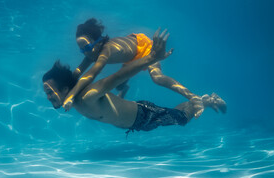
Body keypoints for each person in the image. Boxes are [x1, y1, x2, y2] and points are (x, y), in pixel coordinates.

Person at [42, 29, 226, 135]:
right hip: (135, 122)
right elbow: (105, 107)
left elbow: (117, 77)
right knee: (177, 115)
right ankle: (202, 100)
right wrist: (121, 97)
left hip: (144, 115)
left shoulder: (87, 96)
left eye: (50, 91)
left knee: (182, 119)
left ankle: (207, 101)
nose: (48, 97)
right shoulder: (73, 102)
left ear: (66, 89)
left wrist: (151, 57)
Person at [63, 18, 204, 118]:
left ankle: (194, 97)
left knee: (157, 78)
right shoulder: (91, 54)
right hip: (130, 56)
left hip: (144, 48)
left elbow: (92, 73)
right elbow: (79, 71)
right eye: (81, 50)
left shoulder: (106, 50)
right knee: (119, 85)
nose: (85, 52)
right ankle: (124, 89)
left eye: (86, 47)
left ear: (98, 42)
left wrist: (70, 96)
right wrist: (62, 83)